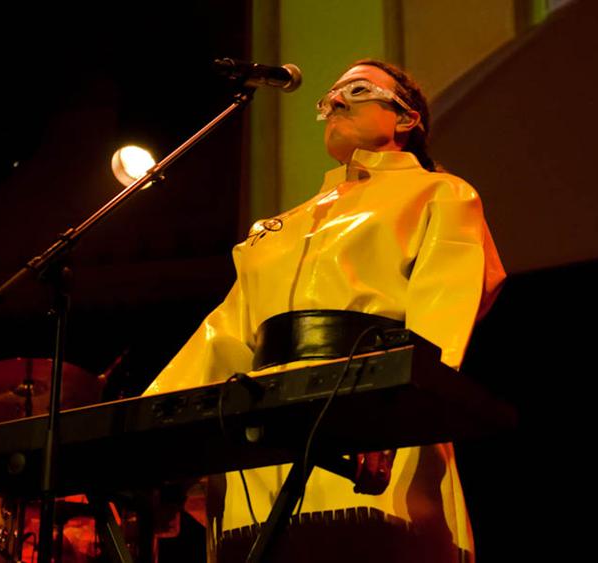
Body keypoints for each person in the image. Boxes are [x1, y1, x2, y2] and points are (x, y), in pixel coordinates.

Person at [144, 59, 506, 562]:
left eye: (357, 90)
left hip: (368, 426)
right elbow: (224, 334)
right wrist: (152, 431)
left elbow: (442, 312)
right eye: (330, 95)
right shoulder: (275, 229)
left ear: (406, 118)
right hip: (260, 435)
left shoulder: (441, 193)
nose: (335, 100)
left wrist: (394, 415)